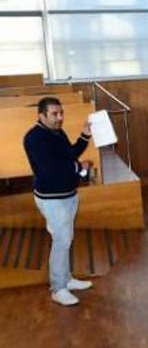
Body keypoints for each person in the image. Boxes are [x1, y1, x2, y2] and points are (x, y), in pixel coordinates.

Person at [23, 97, 94, 306]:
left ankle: (66, 279)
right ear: (41, 115)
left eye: (61, 113)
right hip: (52, 198)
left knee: (66, 238)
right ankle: (58, 288)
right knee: (61, 240)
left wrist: (84, 136)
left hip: (67, 193)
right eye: (55, 114)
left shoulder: (56, 131)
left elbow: (69, 154)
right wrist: (79, 168)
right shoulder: (35, 138)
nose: (60, 118)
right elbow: (50, 169)